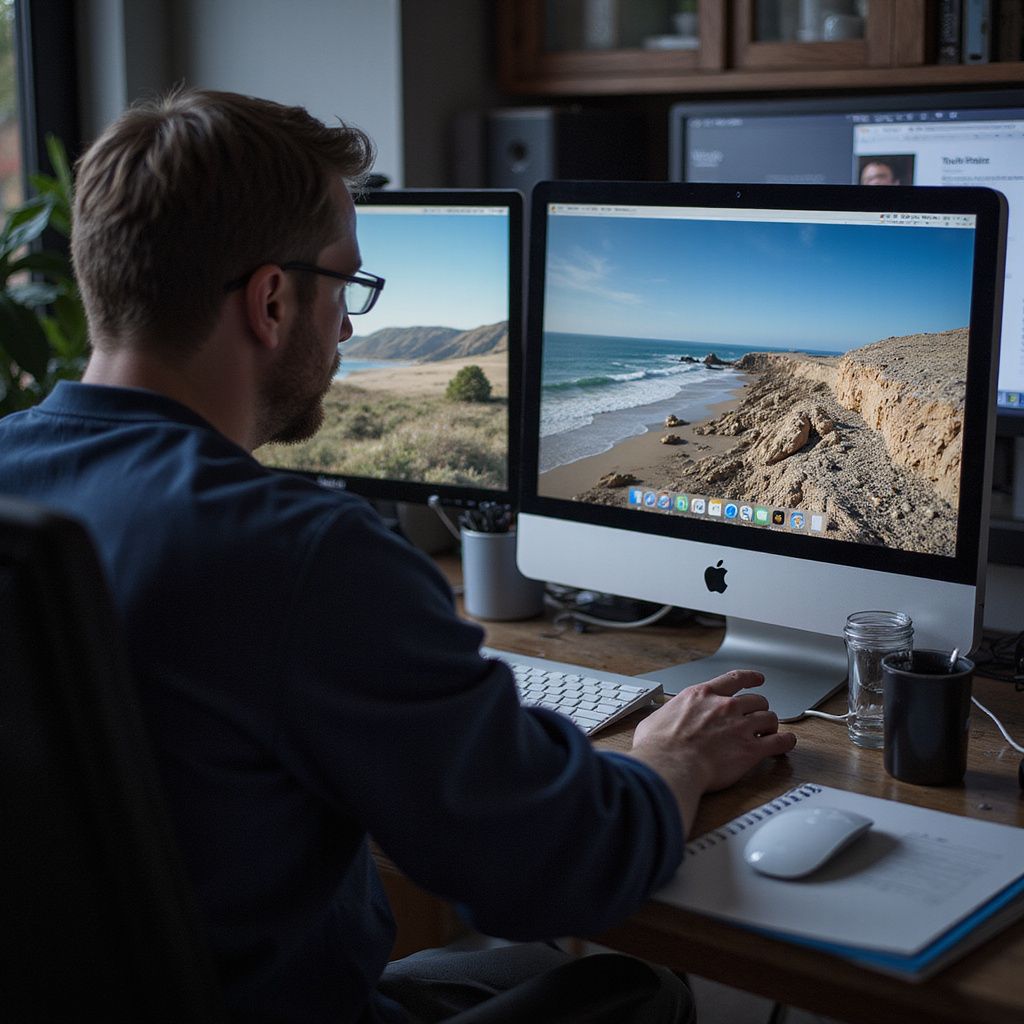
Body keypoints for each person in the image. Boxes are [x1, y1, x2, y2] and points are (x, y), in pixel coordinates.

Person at [0, 88, 796, 1023]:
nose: (348, 327)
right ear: (271, 299)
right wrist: (673, 761)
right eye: (347, 286)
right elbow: (558, 869)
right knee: (639, 992)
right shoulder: (301, 552)